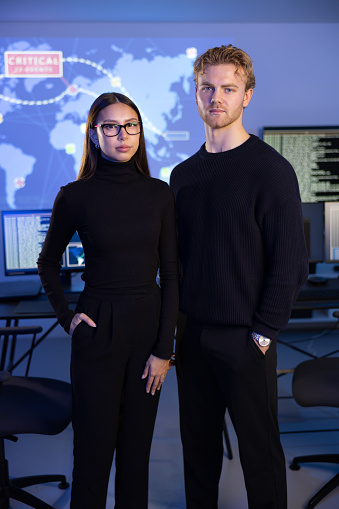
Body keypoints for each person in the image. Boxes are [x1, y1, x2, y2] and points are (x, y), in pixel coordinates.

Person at [170, 45, 309, 509]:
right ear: (196, 94)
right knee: (198, 451)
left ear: (246, 95)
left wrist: (263, 335)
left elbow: (291, 263)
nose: (216, 97)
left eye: (228, 88)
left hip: (246, 338)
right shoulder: (183, 175)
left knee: (259, 453)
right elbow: (179, 262)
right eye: (207, 88)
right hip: (191, 335)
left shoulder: (271, 170)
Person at [38, 92, 179, 509]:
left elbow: (171, 274)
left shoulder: (159, 193)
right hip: (97, 327)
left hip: (148, 330)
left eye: (131, 125)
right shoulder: (76, 195)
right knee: (94, 454)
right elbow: (47, 263)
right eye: (111, 126)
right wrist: (67, 318)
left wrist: (164, 351)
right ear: (94, 133)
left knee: (136, 455)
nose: (123, 134)